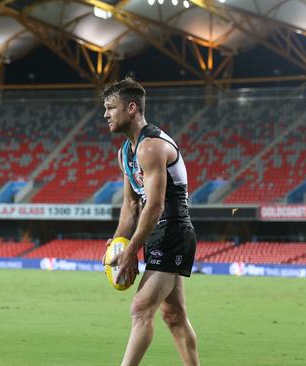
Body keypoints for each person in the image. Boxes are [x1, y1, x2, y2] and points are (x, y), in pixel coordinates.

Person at [102, 77, 199, 366]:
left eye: (111, 108)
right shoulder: (125, 154)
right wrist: (119, 242)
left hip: (173, 229)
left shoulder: (151, 146)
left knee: (141, 307)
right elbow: (131, 206)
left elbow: (155, 205)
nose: (105, 114)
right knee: (174, 316)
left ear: (131, 108)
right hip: (157, 231)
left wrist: (131, 251)